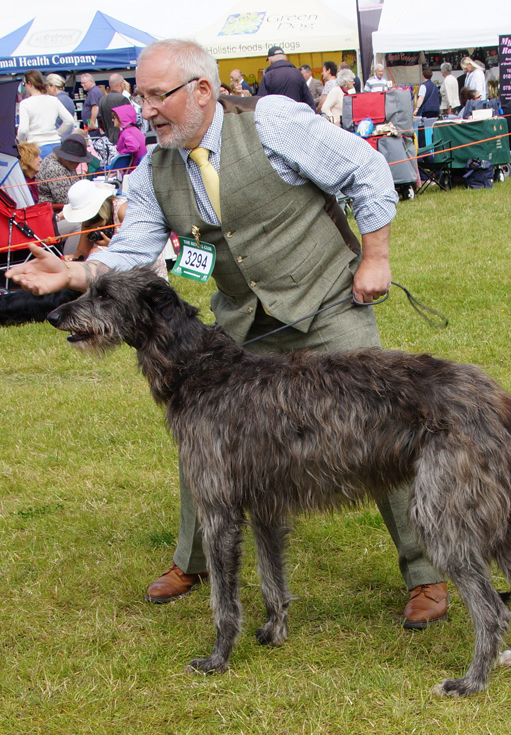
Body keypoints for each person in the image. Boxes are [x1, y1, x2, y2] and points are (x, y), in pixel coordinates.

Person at [7, 38, 449, 630]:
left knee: (380, 428)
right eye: (141, 97)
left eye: (157, 96)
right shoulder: (154, 170)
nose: (147, 110)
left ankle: (426, 575)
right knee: (207, 441)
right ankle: (195, 561)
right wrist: (77, 271)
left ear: (202, 91)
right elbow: (135, 253)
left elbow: (364, 168)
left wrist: (376, 258)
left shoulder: (272, 122)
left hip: (326, 304)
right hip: (243, 326)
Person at [17, 69, 75, 158]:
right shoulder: (53, 100)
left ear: (29, 83)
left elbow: (23, 130)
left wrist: (21, 143)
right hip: (55, 145)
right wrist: (58, 134)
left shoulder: (25, 104)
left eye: (24, 84)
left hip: (37, 146)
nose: (25, 87)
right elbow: (70, 121)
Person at [35, 133, 93, 211]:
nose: (77, 164)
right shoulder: (54, 169)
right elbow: (68, 202)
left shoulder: (65, 163)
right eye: (74, 161)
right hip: (54, 214)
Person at [98, 74, 130, 144]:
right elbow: (128, 121)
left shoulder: (102, 100)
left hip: (108, 137)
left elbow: (101, 120)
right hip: (122, 138)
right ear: (121, 84)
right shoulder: (123, 99)